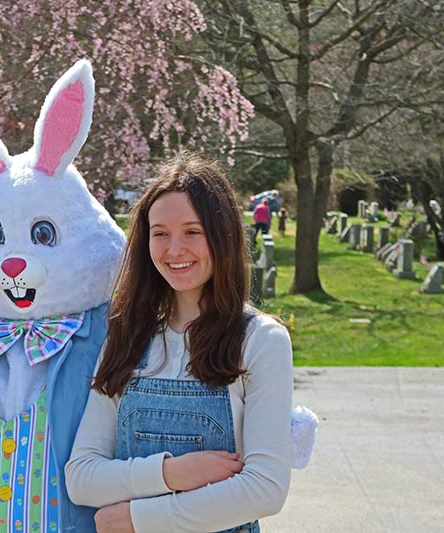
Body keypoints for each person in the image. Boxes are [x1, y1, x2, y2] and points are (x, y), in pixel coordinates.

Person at [65, 153, 293, 533]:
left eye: (192, 231)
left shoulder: (260, 340)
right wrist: (172, 473)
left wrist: (138, 518)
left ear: (223, 236)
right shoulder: (127, 336)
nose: (174, 250)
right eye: (160, 234)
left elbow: (265, 488)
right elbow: (83, 476)